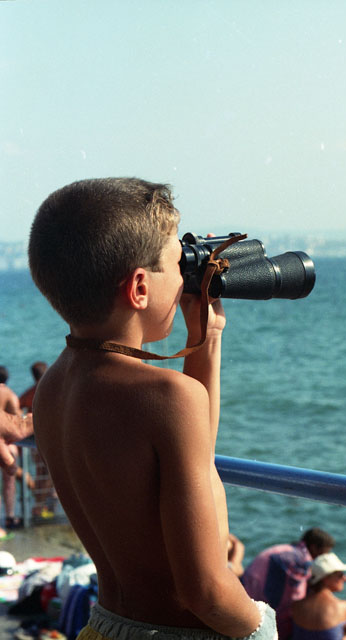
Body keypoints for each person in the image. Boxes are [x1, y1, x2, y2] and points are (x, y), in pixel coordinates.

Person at [28, 178, 277, 640]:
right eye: (176, 263)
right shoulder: (167, 397)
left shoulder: (54, 388)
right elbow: (205, 592)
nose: (185, 275)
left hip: (104, 626)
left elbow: (196, 456)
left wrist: (206, 335)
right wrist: (263, 629)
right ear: (140, 287)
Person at [242, 528, 335, 639]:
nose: (326, 556)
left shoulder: (288, 549)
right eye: (325, 552)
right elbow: (297, 595)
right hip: (258, 599)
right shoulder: (302, 561)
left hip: (246, 590)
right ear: (314, 547)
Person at [291, 552, 346, 640]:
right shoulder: (344, 607)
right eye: (340, 575)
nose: (345, 578)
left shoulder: (297, 606)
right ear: (326, 578)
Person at [19, 362, 55, 518]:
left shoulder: (30, 393)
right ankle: (40, 506)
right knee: (51, 474)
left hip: (34, 438)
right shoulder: (52, 390)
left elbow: (17, 405)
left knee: (41, 473)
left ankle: (40, 505)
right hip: (50, 437)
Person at [0, 366, 22, 534]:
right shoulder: (9, 395)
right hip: (7, 445)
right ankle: (10, 516)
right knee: (9, 483)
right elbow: (17, 422)